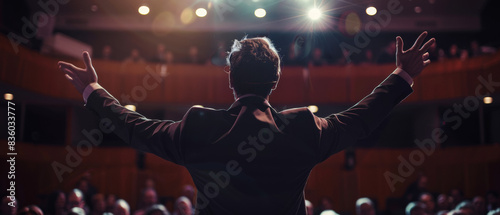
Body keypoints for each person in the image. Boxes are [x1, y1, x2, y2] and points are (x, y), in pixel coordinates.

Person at [58, 32, 435, 215]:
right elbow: (361, 120)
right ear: (276, 81)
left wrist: (92, 89)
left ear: (230, 80)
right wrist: (401, 75)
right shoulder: (302, 127)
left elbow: (133, 127)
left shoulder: (199, 127)